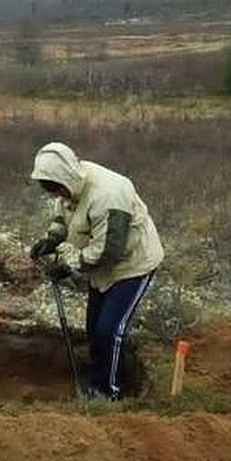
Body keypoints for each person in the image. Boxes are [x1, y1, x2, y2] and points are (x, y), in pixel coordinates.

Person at [28, 142, 163, 400]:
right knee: (94, 328)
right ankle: (97, 377)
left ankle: (108, 392)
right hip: (101, 270)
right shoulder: (70, 186)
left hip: (131, 267)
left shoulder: (108, 196)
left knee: (110, 330)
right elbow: (63, 216)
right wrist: (52, 239)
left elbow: (108, 251)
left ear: (65, 178)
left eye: (57, 189)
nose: (56, 194)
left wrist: (69, 266)